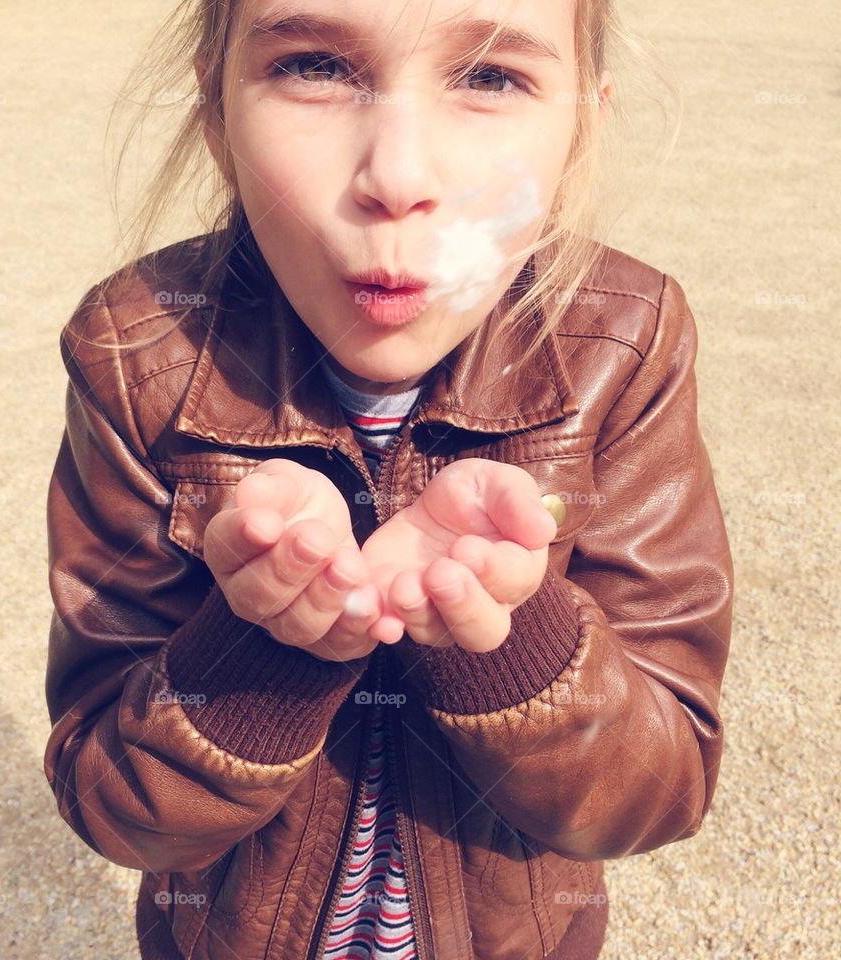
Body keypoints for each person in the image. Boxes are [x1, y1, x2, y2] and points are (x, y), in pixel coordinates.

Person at [43, 1, 734, 958]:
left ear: (583, 128)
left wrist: (509, 638)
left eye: (491, 77)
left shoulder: (624, 342)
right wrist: (265, 643)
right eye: (317, 66)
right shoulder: (142, 350)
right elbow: (116, 808)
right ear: (216, 104)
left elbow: (657, 792)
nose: (398, 177)